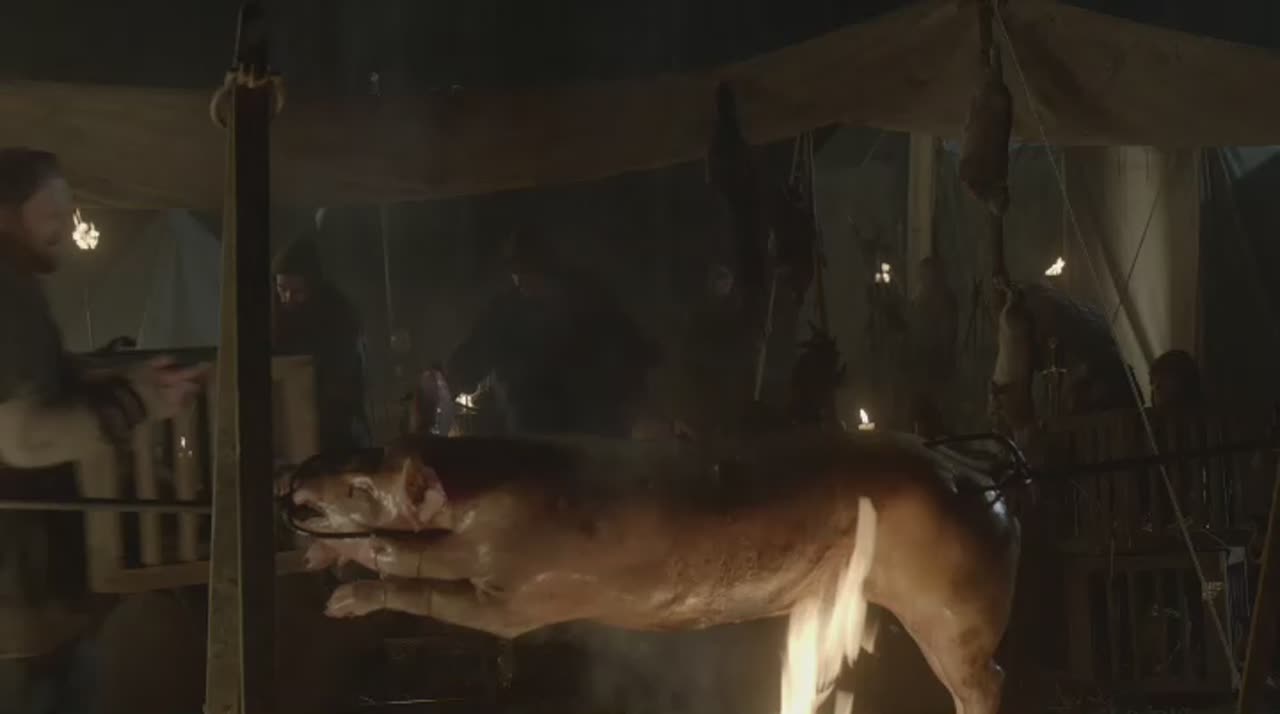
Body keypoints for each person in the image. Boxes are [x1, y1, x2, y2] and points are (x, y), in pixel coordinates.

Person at [0, 148, 205, 710]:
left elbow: (40, 393)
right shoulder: (5, 294)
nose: (66, 228)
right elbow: (24, 438)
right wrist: (136, 401)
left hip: (35, 603)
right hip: (21, 604)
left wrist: (116, 382)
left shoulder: (17, 288)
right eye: (52, 212)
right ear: (7, 213)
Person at [446, 226, 659, 437]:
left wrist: (638, 401)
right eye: (515, 271)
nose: (520, 278)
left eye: (527, 268)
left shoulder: (590, 302)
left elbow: (626, 352)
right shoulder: (506, 312)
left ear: (548, 266)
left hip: (591, 433)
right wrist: (448, 383)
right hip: (531, 433)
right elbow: (477, 351)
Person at [272, 232, 371, 450]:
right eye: (282, 290)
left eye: (297, 292)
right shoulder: (274, 315)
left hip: (338, 425)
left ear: (313, 286)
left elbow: (345, 377)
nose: (287, 298)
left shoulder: (339, 316)